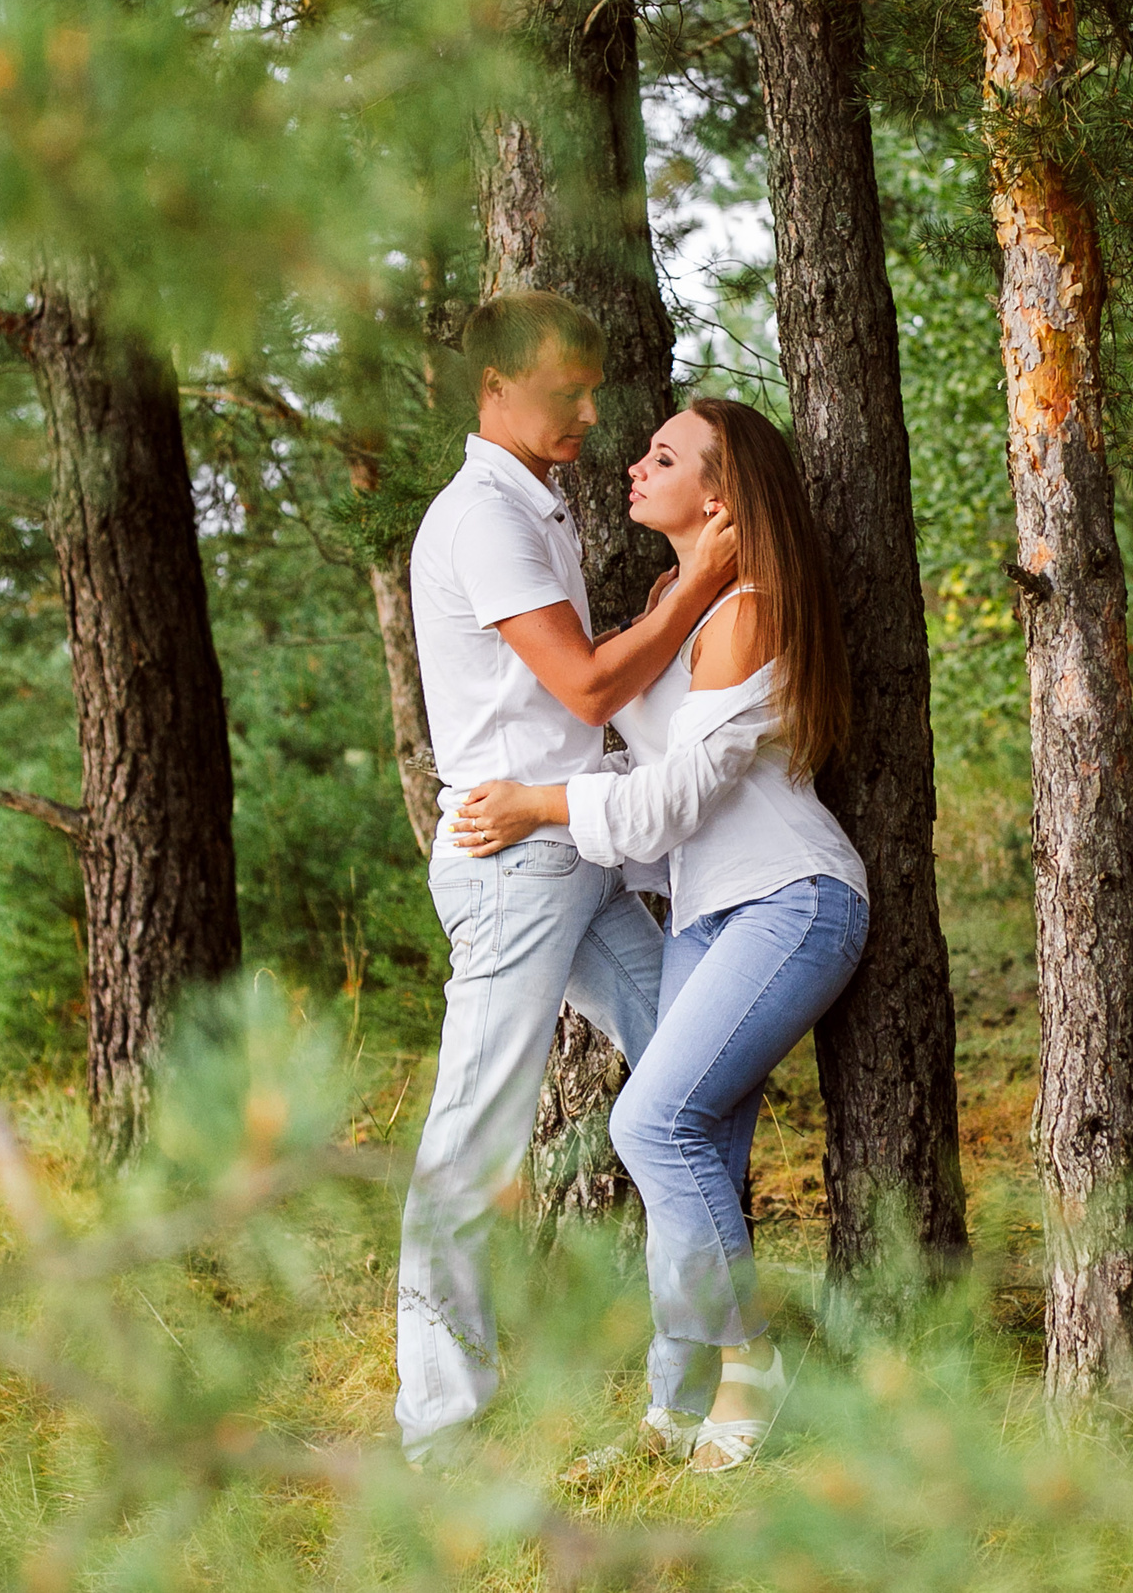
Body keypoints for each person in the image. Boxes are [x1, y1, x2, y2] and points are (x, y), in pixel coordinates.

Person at [450, 397, 868, 1472]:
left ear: (719, 499)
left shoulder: (748, 613)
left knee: (649, 1127)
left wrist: (542, 805)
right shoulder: (679, 602)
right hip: (702, 909)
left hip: (791, 900)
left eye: (664, 456)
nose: (635, 463)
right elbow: (643, 774)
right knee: (695, 1149)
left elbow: (669, 804)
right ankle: (672, 1415)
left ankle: (754, 1365)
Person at [393, 291, 741, 1468]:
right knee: (470, 1148)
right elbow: (585, 689)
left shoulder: (529, 506)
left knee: (693, 1080)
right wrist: (703, 576)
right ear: (496, 384)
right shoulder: (481, 516)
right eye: (569, 391)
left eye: (596, 392)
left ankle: (720, 1391)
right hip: (517, 866)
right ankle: (441, 1440)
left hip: (574, 852)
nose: (592, 412)